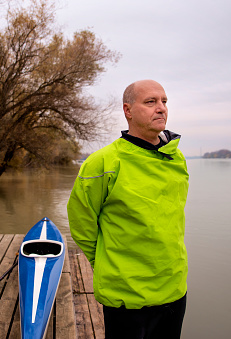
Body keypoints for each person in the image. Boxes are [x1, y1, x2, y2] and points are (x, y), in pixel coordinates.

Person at [67, 79, 190, 339]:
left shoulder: (176, 158)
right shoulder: (102, 162)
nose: (161, 108)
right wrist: (106, 264)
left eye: (164, 101)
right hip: (126, 295)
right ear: (128, 111)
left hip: (173, 288)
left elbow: (172, 222)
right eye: (150, 102)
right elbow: (81, 223)